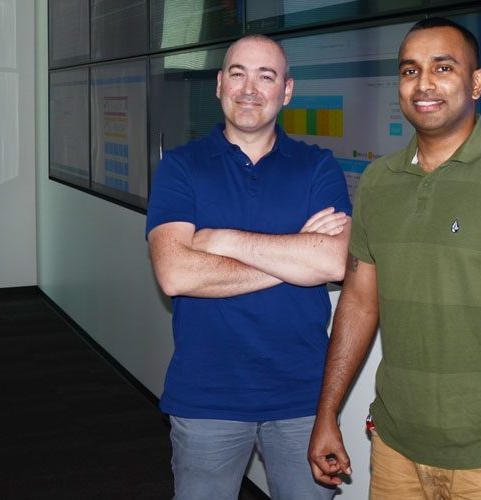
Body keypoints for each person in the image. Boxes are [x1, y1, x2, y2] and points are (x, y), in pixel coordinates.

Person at [308, 17, 481, 500]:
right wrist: (327, 413)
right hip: (395, 450)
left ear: (476, 83)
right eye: (410, 70)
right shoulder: (378, 182)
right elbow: (357, 303)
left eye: (443, 67)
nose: (424, 85)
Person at [146, 34, 351, 500]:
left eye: (266, 76)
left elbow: (334, 261)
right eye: (237, 73)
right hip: (206, 395)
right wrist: (298, 254)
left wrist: (222, 240)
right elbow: (176, 274)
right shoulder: (181, 167)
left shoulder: (317, 166)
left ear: (287, 90)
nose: (249, 88)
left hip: (303, 398)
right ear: (219, 85)